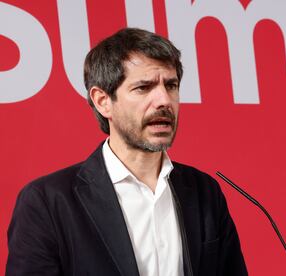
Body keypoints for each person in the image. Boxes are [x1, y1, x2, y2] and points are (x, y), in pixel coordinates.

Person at [6, 28, 248, 276]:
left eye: (171, 85)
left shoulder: (204, 191)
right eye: (144, 88)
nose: (164, 100)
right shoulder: (47, 202)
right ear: (103, 101)